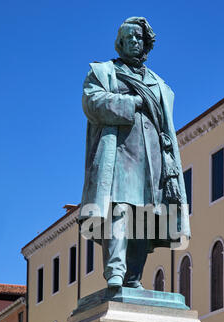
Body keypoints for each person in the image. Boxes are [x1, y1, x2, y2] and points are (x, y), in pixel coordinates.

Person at [79, 17, 190, 289]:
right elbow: (92, 102)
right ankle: (115, 270)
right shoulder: (105, 72)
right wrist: (132, 102)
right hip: (119, 152)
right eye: (127, 38)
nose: (133, 42)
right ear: (119, 43)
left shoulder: (159, 83)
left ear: (146, 43)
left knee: (145, 213)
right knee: (119, 208)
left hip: (152, 156)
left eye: (138, 38)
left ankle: (133, 277)